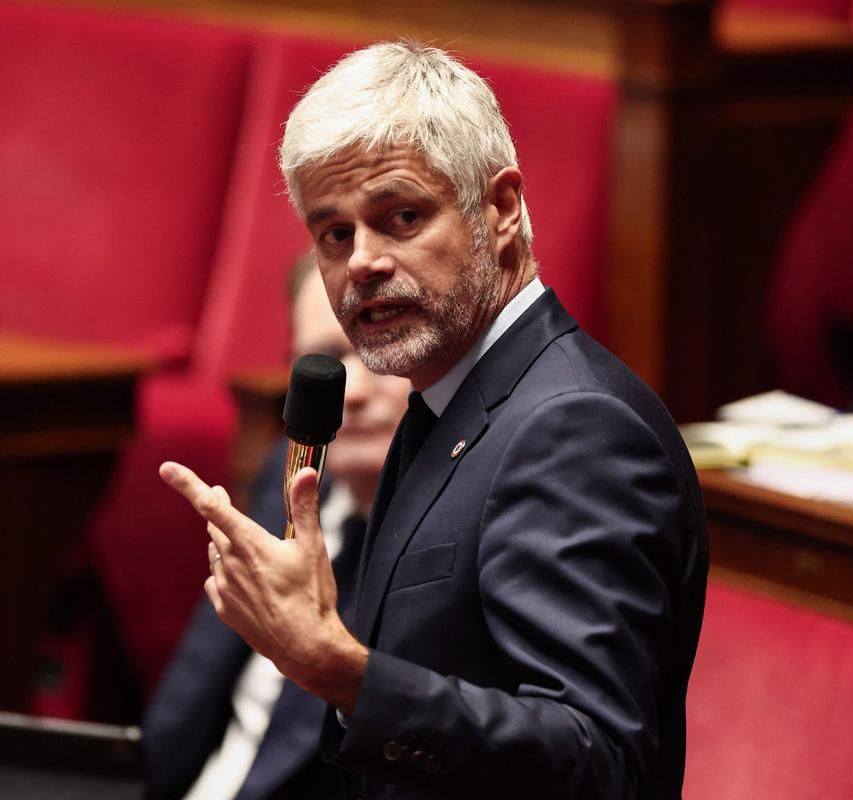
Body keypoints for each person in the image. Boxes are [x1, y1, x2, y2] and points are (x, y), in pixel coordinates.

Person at [159, 41, 708, 799]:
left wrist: (339, 670)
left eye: (402, 216)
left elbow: (598, 761)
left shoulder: (574, 428)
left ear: (503, 208)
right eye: (335, 234)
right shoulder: (447, 400)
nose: (362, 262)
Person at [143, 258, 412, 799]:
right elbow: (186, 707)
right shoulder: (291, 472)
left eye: (379, 355)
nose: (353, 393)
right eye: (328, 361)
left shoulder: (463, 534)